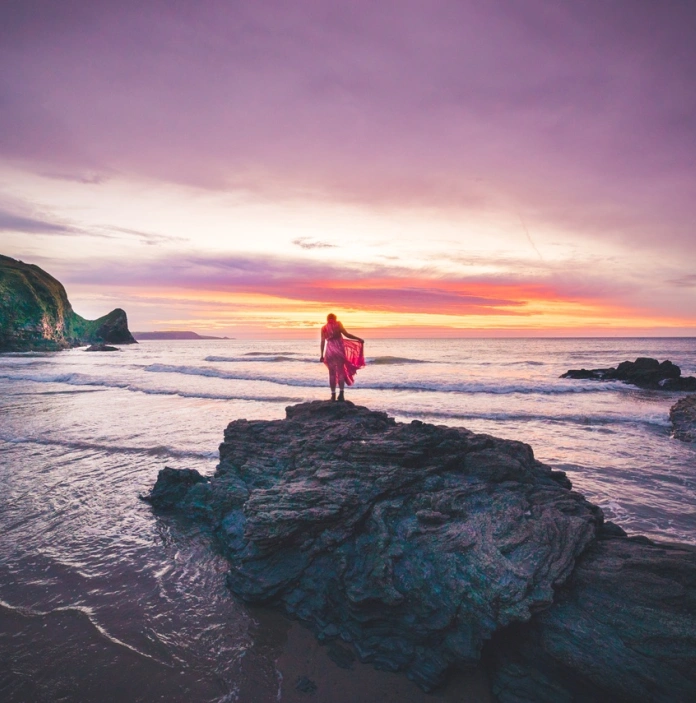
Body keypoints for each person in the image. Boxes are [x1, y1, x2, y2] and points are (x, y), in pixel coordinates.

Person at [320, 313, 365, 401]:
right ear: (335, 318)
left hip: (329, 351)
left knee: (331, 374)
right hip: (339, 350)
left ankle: (333, 396)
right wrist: (358, 339)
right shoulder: (338, 324)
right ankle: (341, 395)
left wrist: (321, 355)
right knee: (341, 372)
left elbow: (322, 341)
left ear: (327, 319)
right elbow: (346, 334)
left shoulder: (324, 328)